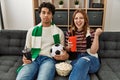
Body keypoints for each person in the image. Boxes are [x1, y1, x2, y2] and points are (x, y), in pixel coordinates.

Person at [16, 2, 69, 80]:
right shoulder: (31, 31)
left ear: (52, 15)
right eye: (43, 12)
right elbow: (27, 49)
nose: (46, 15)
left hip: (49, 60)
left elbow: (63, 52)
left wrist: (64, 56)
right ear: (40, 14)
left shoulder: (59, 32)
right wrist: (25, 58)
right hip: (33, 59)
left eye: (49, 13)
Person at [65, 9, 102, 80]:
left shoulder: (91, 32)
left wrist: (96, 35)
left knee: (82, 61)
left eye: (81, 18)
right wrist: (68, 47)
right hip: (75, 58)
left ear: (85, 20)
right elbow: (67, 49)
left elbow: (93, 51)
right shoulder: (69, 33)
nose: (78, 20)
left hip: (90, 58)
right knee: (82, 72)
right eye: (76, 18)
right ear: (73, 20)